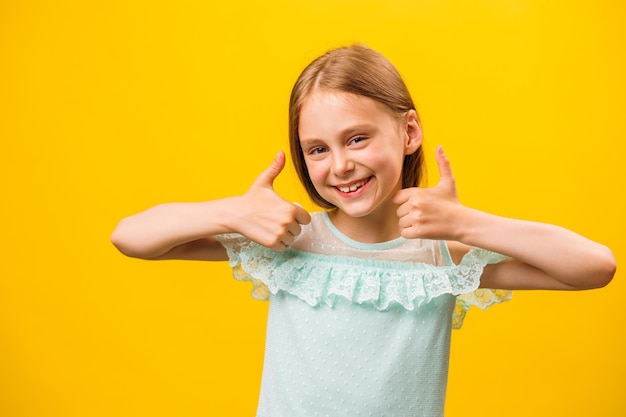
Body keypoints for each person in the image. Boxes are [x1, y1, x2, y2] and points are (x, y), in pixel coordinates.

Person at [111, 44, 616, 417]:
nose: (341, 165)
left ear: (409, 133)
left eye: (357, 138)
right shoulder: (292, 238)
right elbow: (131, 237)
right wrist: (230, 213)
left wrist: (469, 224)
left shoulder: (441, 255)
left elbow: (595, 267)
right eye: (318, 149)